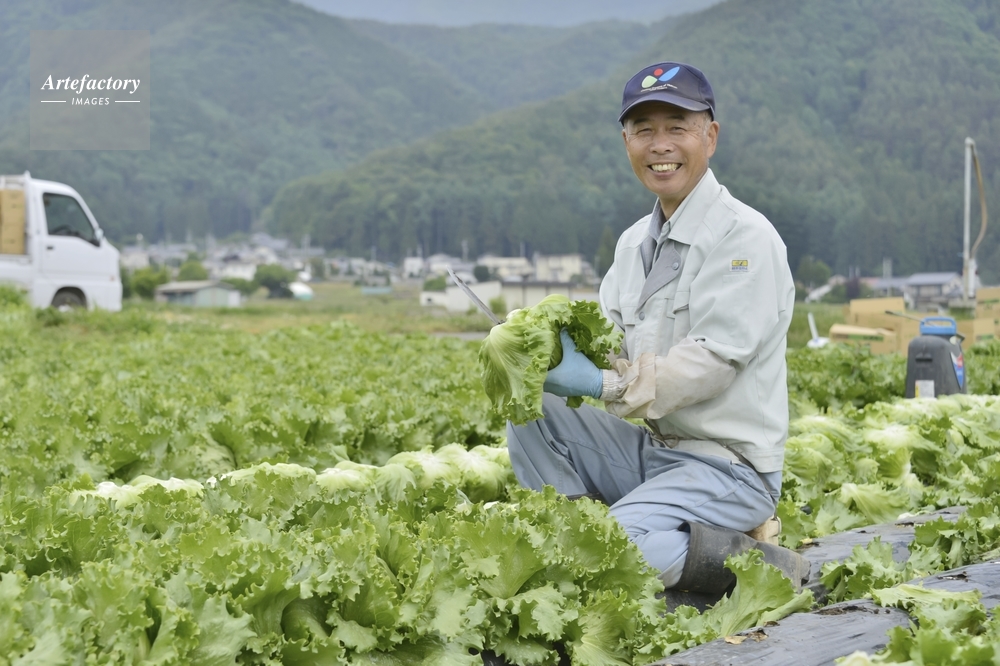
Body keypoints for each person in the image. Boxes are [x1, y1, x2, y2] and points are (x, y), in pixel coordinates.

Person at [506, 62, 808, 595]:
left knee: (614, 551)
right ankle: (576, 537)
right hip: (654, 454)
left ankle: (758, 562)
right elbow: (606, 342)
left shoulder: (744, 239)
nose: (659, 144)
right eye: (643, 129)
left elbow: (710, 365)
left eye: (677, 127)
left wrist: (603, 384)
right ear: (627, 142)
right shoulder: (631, 246)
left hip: (729, 468)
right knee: (532, 407)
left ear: (710, 137)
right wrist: (544, 348)